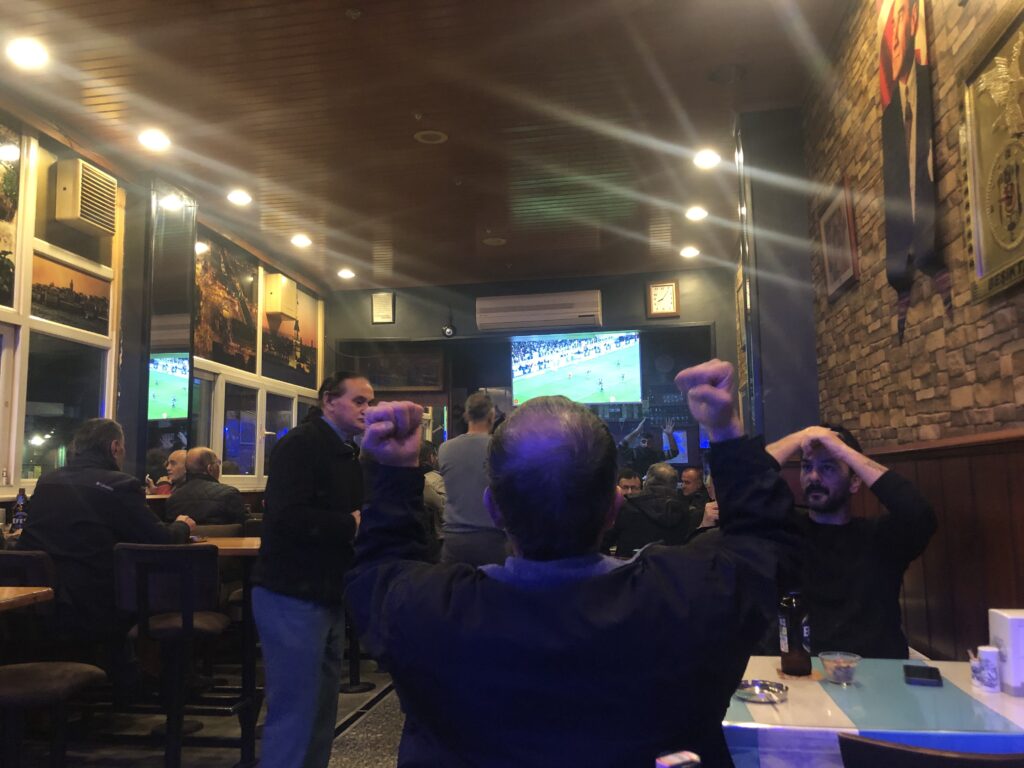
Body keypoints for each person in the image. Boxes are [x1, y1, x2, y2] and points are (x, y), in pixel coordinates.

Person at [346, 360, 798, 766]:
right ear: (615, 507)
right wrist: (727, 433)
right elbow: (765, 544)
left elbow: (376, 571)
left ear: (494, 509)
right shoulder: (692, 597)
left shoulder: (426, 613)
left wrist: (392, 474)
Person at [253, 371, 373, 768]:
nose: (367, 409)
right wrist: (350, 524)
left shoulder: (345, 451)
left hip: (326, 591)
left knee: (321, 711)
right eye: (359, 401)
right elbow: (286, 516)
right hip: (290, 592)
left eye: (369, 402)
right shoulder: (301, 444)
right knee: (295, 711)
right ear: (329, 401)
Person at [766, 423, 937, 658]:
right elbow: (744, 479)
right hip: (797, 667)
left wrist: (843, 451)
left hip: (874, 669)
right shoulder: (785, 532)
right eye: (807, 467)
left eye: (828, 467)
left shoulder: (881, 538)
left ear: (855, 482)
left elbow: (920, 514)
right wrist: (800, 437)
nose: (813, 476)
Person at [18, 418, 195, 644]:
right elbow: (161, 541)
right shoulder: (120, 485)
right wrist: (182, 525)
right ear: (114, 447)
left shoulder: (47, 481)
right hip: (98, 604)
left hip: (41, 603)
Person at [878, 0, 950, 340]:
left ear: (912, 22)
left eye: (902, 24)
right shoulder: (890, 116)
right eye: (890, 35)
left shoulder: (922, 82)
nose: (895, 41)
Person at [438, 392, 507, 566]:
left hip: (454, 539)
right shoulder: (501, 448)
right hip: (494, 539)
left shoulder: (445, 449)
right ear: (492, 416)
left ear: (466, 415)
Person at [602, 462, 699, 557]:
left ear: (646, 482)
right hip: (671, 567)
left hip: (629, 566)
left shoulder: (627, 507)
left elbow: (602, 543)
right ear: (674, 485)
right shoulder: (688, 512)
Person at [165, 447, 246, 525]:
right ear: (210, 468)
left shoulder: (173, 499)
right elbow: (242, 528)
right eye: (217, 463)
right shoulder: (230, 495)